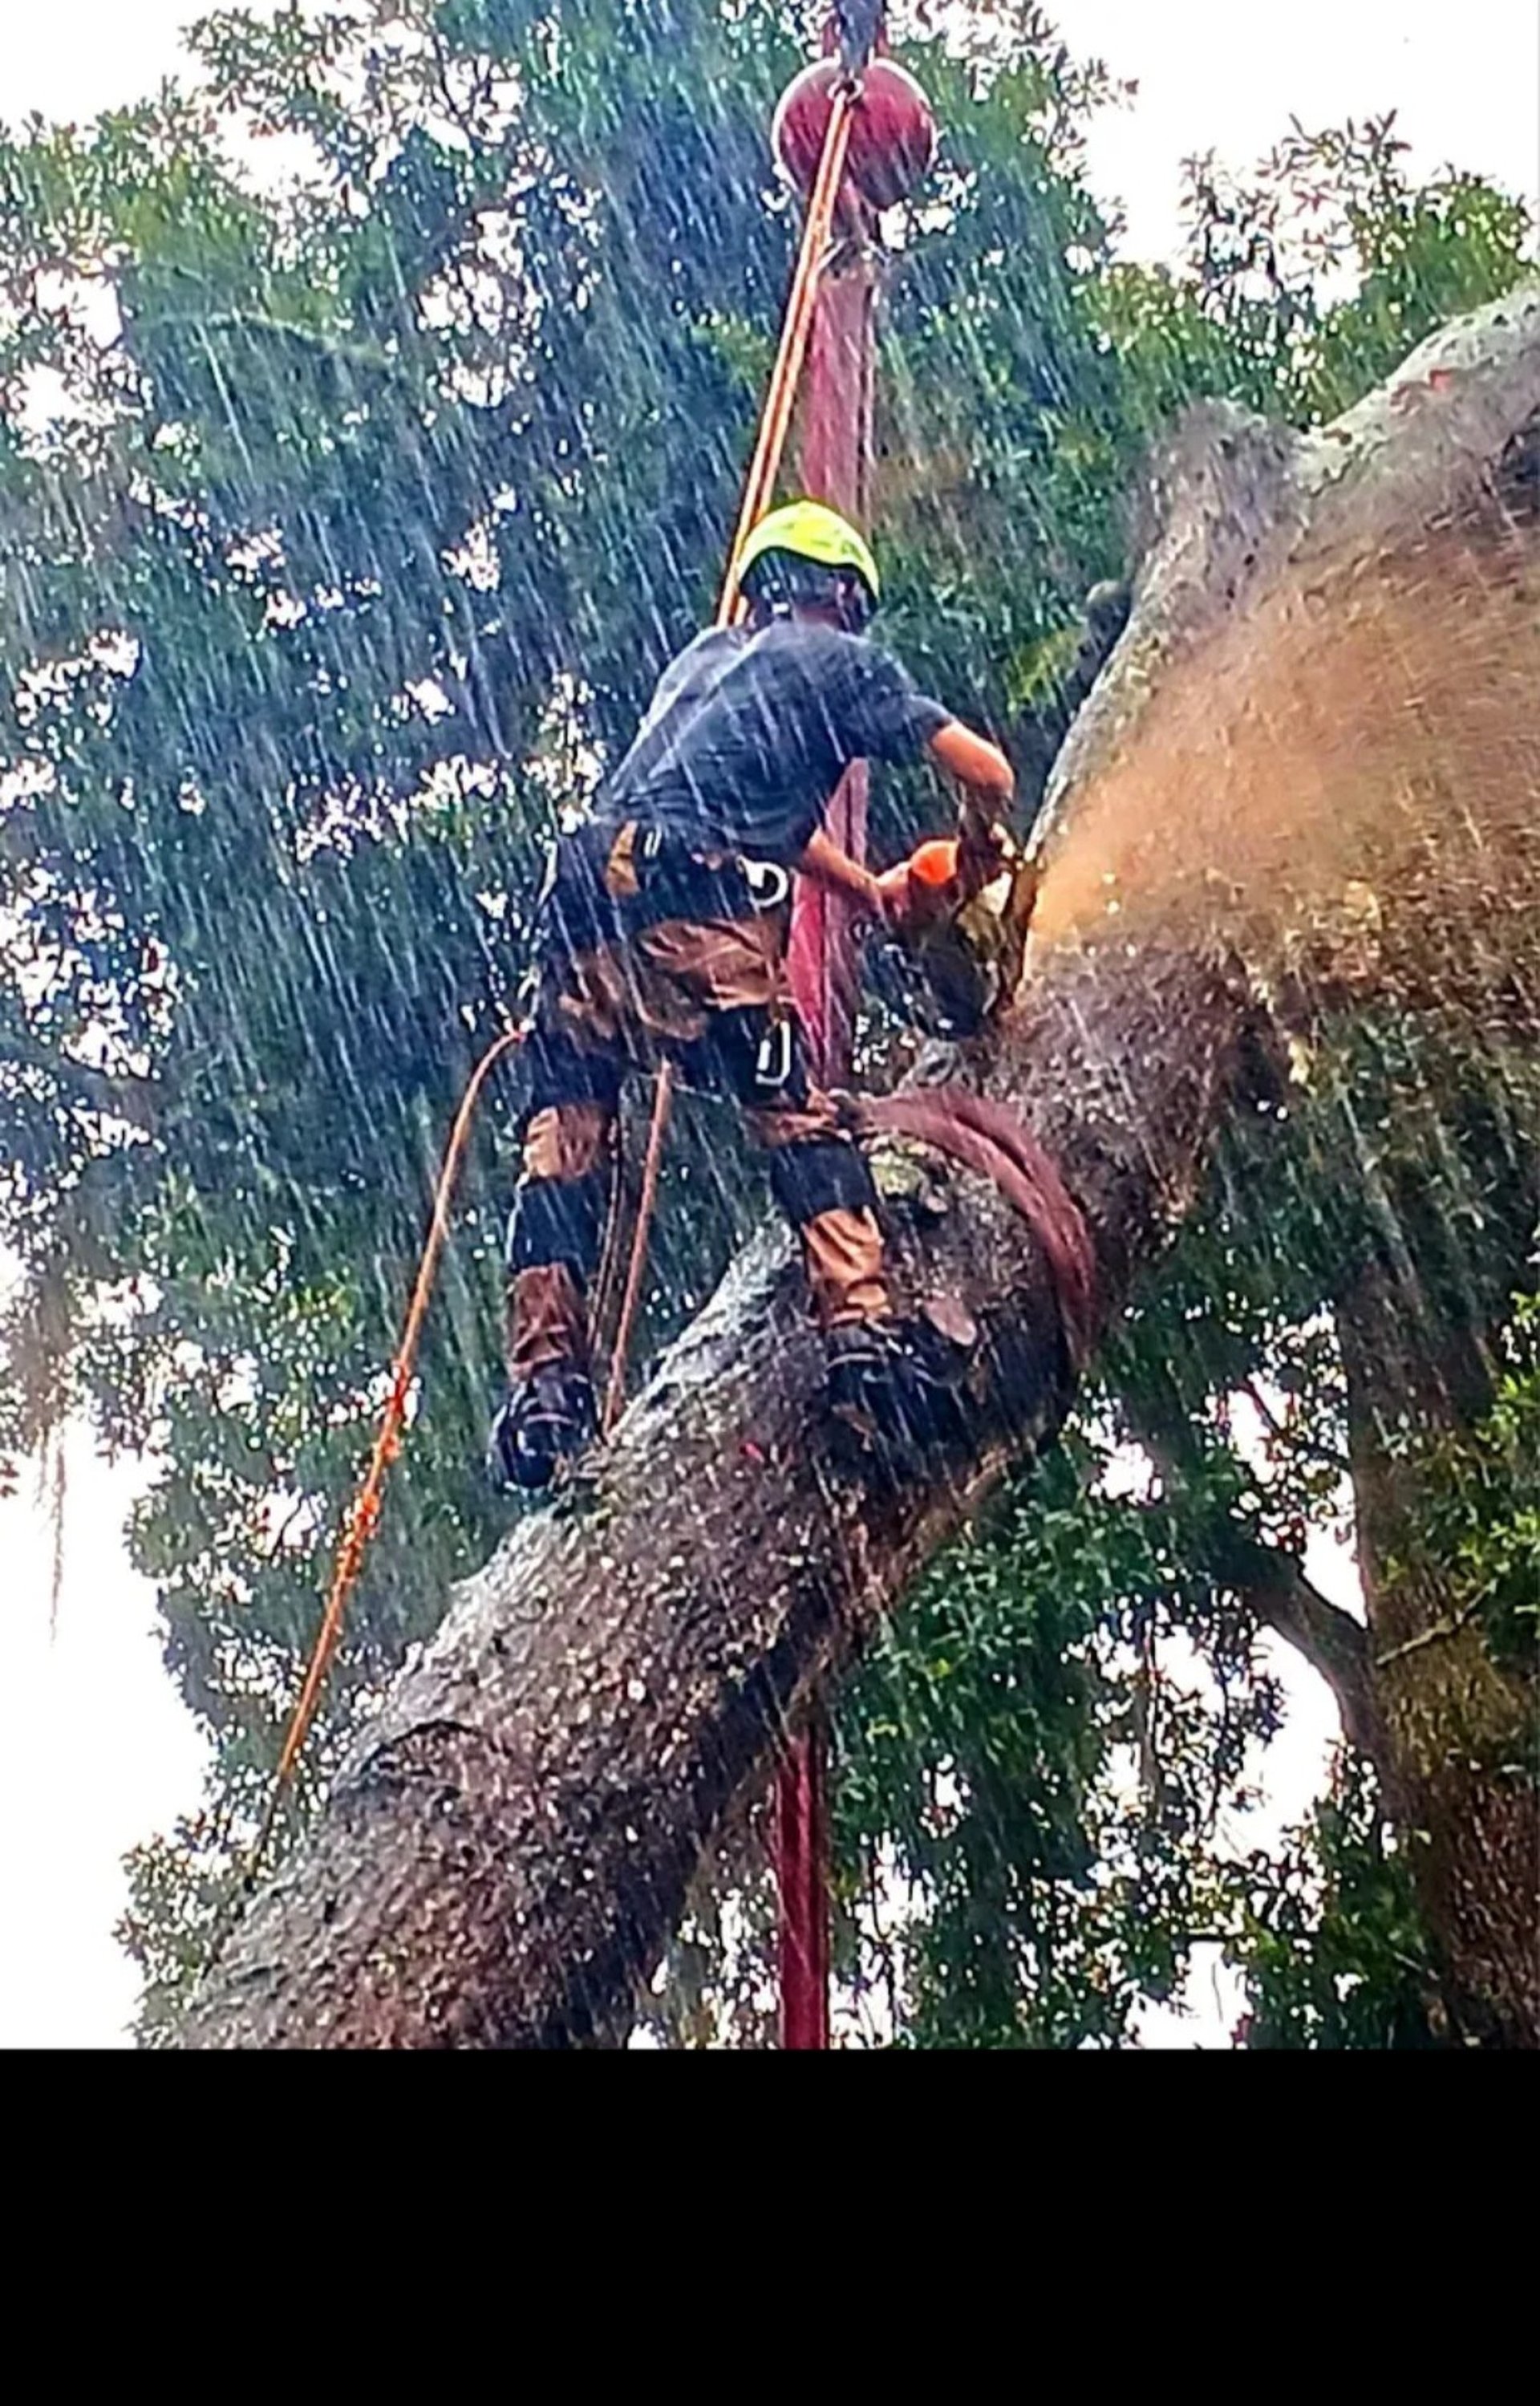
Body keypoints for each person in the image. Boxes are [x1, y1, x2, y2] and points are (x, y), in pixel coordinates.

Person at [489, 497, 1016, 1492]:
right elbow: (988, 769)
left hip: (584, 903)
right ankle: (866, 1348)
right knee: (804, 1131)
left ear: (762, 587)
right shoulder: (849, 666)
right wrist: (979, 852)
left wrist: (867, 888)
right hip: (700, 907)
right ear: (848, 599)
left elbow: (732, 801)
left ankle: (547, 1384)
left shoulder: (701, 661)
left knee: (564, 1151)